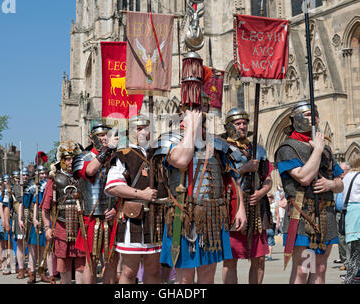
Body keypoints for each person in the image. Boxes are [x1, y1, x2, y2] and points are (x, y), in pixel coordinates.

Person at [158, 102, 246, 284]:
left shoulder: (218, 144)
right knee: (185, 277)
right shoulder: (169, 139)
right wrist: (191, 127)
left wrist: (240, 208)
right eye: (195, 109)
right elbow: (181, 160)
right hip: (183, 215)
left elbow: (231, 177)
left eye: (202, 109)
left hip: (213, 215)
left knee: (207, 275)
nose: (200, 112)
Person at [274, 101, 344, 284]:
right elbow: (304, 177)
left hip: (326, 213)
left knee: (320, 268)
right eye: (307, 115)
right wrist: (318, 150)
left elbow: (340, 184)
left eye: (315, 114)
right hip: (302, 214)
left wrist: (330, 184)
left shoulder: (326, 148)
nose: (313, 118)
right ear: (295, 119)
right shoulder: (287, 148)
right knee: (303, 270)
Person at [105, 114, 164, 284]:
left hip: (156, 218)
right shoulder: (123, 154)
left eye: (146, 128)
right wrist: (141, 194)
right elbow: (113, 186)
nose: (143, 132)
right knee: (130, 271)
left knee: (153, 271)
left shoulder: (157, 154)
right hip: (134, 219)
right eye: (138, 128)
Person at [222, 108, 273, 284]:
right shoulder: (222, 149)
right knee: (231, 260)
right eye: (238, 123)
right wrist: (244, 169)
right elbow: (220, 176)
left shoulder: (257, 150)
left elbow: (268, 179)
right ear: (229, 126)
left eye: (244, 123)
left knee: (259, 259)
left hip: (257, 208)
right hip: (233, 206)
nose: (242, 126)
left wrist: (261, 192)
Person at [72, 121, 119, 284]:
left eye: (107, 134)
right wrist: (107, 151)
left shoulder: (118, 157)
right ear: (92, 138)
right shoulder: (82, 157)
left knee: (112, 262)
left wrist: (116, 209)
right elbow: (90, 170)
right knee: (91, 263)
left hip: (113, 215)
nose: (104, 138)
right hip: (92, 216)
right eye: (100, 135)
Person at [41, 141, 86, 284]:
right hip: (61, 226)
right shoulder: (54, 179)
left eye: (73, 158)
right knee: (63, 264)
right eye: (67, 158)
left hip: (81, 226)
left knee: (81, 264)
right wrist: (47, 228)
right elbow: (45, 208)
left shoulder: (83, 178)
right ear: (61, 159)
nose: (70, 161)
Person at [29, 165, 54, 283]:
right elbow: (35, 204)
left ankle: (46, 273)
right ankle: (32, 273)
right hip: (38, 217)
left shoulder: (50, 185)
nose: (43, 175)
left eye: (45, 173)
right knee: (33, 247)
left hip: (48, 218)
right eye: (41, 173)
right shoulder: (36, 188)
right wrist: (34, 219)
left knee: (47, 248)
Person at [342, 153, 360, 284]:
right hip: (358, 212)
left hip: (350, 213)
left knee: (355, 250)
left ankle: (351, 277)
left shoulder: (346, 177)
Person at [334, 162, 350, 271]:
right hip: (338, 213)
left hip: (349, 212)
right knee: (340, 238)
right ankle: (344, 260)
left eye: (343, 171)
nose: (341, 173)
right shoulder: (337, 182)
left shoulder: (351, 182)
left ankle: (350, 262)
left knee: (349, 239)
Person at [266, 194, 276, 261]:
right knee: (269, 242)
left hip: (269, 226)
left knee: (268, 241)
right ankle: (269, 255)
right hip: (270, 226)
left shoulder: (265, 206)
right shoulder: (275, 205)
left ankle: (267, 255)